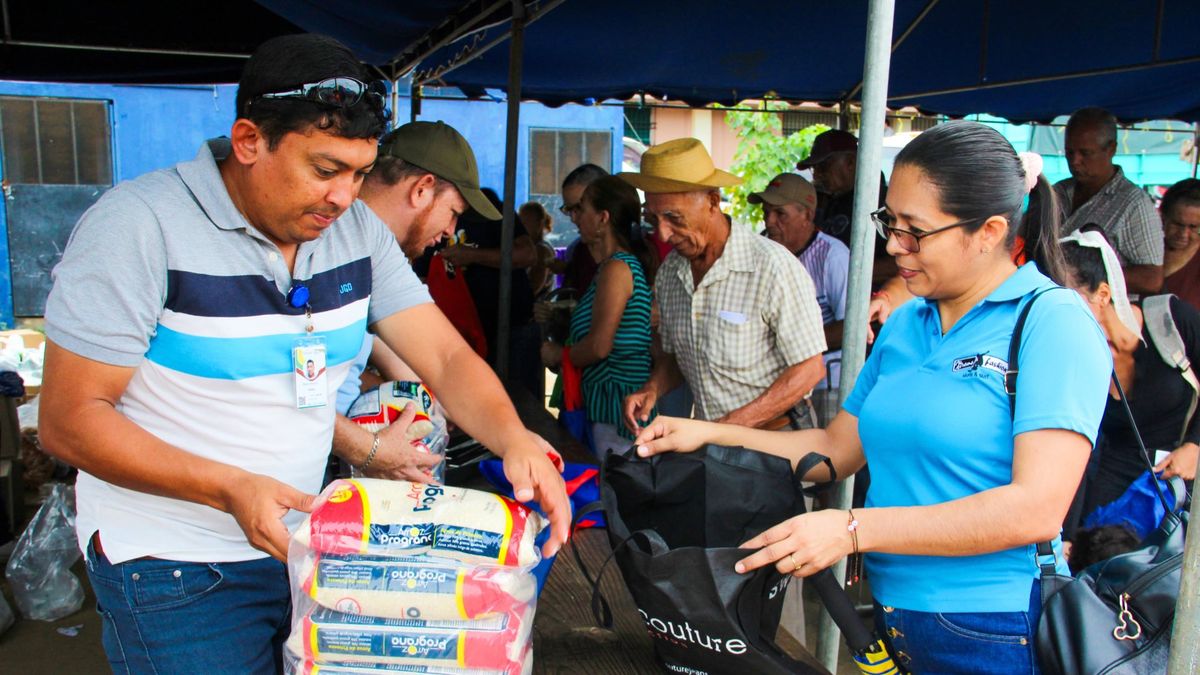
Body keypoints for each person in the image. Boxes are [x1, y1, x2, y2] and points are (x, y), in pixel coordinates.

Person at [37, 34, 568, 673]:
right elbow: (69, 421)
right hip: (173, 569)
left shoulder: (356, 232)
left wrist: (515, 440)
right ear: (248, 141)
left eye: (360, 174)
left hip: (308, 548)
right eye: (324, 170)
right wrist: (227, 487)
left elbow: (447, 360)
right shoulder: (138, 225)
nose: (344, 196)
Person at [634, 121, 1111, 673]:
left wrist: (853, 529)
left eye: (915, 231)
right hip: (892, 616)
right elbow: (834, 452)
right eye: (890, 222)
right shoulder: (908, 324)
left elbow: (1035, 509)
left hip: (995, 625)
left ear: (989, 231)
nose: (893, 246)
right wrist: (708, 435)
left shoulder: (1051, 322)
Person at [331, 120, 510, 484]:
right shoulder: (331, 238)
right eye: (454, 212)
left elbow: (418, 354)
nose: (449, 232)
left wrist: (449, 404)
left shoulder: (373, 251)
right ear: (422, 189)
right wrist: (369, 449)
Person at [620, 138, 828, 431]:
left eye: (674, 218)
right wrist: (652, 388)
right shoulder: (670, 274)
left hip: (774, 444)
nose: (663, 234)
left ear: (713, 202)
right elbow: (679, 356)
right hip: (714, 444)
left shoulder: (772, 267)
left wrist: (725, 429)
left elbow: (809, 370)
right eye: (653, 218)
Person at [1059, 227, 1200, 521]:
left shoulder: (1171, 320)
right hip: (1115, 482)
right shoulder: (1072, 355)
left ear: (1103, 294)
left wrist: (1195, 446)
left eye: (1065, 300)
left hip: (1183, 474)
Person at [541, 176, 655, 454]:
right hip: (609, 407)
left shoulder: (617, 269)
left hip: (616, 412)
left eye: (582, 210)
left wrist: (558, 354)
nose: (576, 218)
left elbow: (599, 346)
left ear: (603, 218)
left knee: (611, 492)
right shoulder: (611, 267)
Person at [750, 172, 849, 392]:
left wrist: (792, 342)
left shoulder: (833, 256)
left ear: (807, 215)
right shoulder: (762, 252)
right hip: (773, 384)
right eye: (766, 212)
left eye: (780, 214)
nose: (769, 221)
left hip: (826, 384)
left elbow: (851, 327)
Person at [441, 188, 543, 398]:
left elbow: (528, 255)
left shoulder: (492, 211)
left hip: (513, 330)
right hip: (463, 335)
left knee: (521, 404)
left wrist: (472, 255)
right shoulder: (434, 215)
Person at [1054, 107, 1164, 295]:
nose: (1075, 161)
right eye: (1069, 152)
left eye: (1085, 153)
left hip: (1101, 316)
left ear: (1111, 148)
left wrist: (1084, 277)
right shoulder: (1058, 192)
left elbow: (1151, 278)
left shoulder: (1134, 204)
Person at [798, 128, 893, 284]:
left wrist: (843, 273)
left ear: (850, 162)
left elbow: (899, 262)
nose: (816, 175)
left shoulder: (881, 202)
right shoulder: (831, 200)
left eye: (823, 167)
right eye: (814, 169)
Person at [558, 163, 608, 293]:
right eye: (569, 210)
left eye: (579, 208)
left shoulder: (634, 253)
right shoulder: (578, 250)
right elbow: (569, 297)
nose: (573, 219)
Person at [1161, 178, 1200, 308]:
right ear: (1162, 217)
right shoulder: (1145, 249)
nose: (1183, 234)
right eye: (1177, 224)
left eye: (1193, 227)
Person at [519, 201, 558, 297]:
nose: (520, 227)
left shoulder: (542, 250)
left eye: (525, 222)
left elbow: (533, 287)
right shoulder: (531, 247)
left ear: (539, 224)